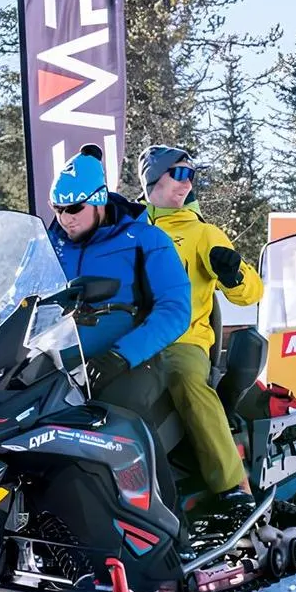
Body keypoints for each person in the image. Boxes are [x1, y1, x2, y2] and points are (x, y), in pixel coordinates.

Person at [137, 144, 262, 513]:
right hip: (129, 337)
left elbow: (251, 291)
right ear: (152, 178)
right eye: (178, 173)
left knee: (186, 381)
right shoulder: (128, 229)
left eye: (192, 175)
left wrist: (233, 273)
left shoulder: (202, 233)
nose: (187, 182)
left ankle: (232, 485)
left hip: (181, 340)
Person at [45, 147, 192, 424]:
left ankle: (155, 468)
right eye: (58, 209)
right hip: (58, 360)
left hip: (130, 360)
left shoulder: (145, 240)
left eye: (75, 208)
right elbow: (18, 295)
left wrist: (122, 356)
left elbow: (175, 310)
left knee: (117, 419)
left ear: (99, 199)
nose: (66, 218)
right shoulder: (49, 246)